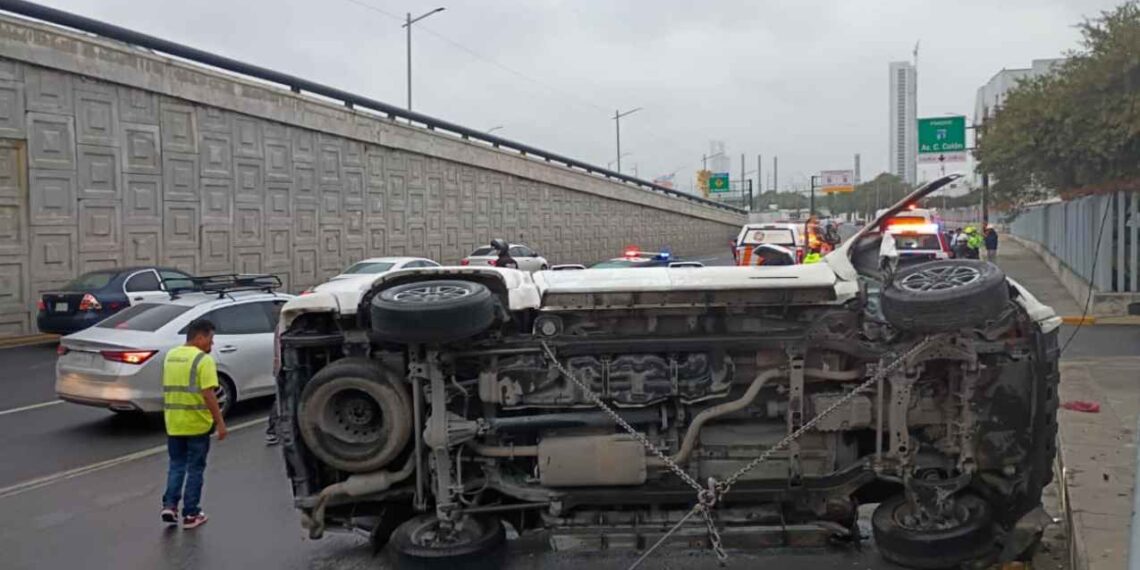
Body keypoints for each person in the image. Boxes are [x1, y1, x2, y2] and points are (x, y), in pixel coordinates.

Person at [161, 319, 227, 529]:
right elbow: (209, 394)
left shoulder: (171, 356)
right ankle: (191, 514)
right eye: (210, 339)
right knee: (195, 469)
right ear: (199, 337)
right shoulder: (203, 360)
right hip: (197, 424)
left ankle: (169, 506)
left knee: (176, 466)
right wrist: (220, 422)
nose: (212, 344)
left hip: (173, 423)